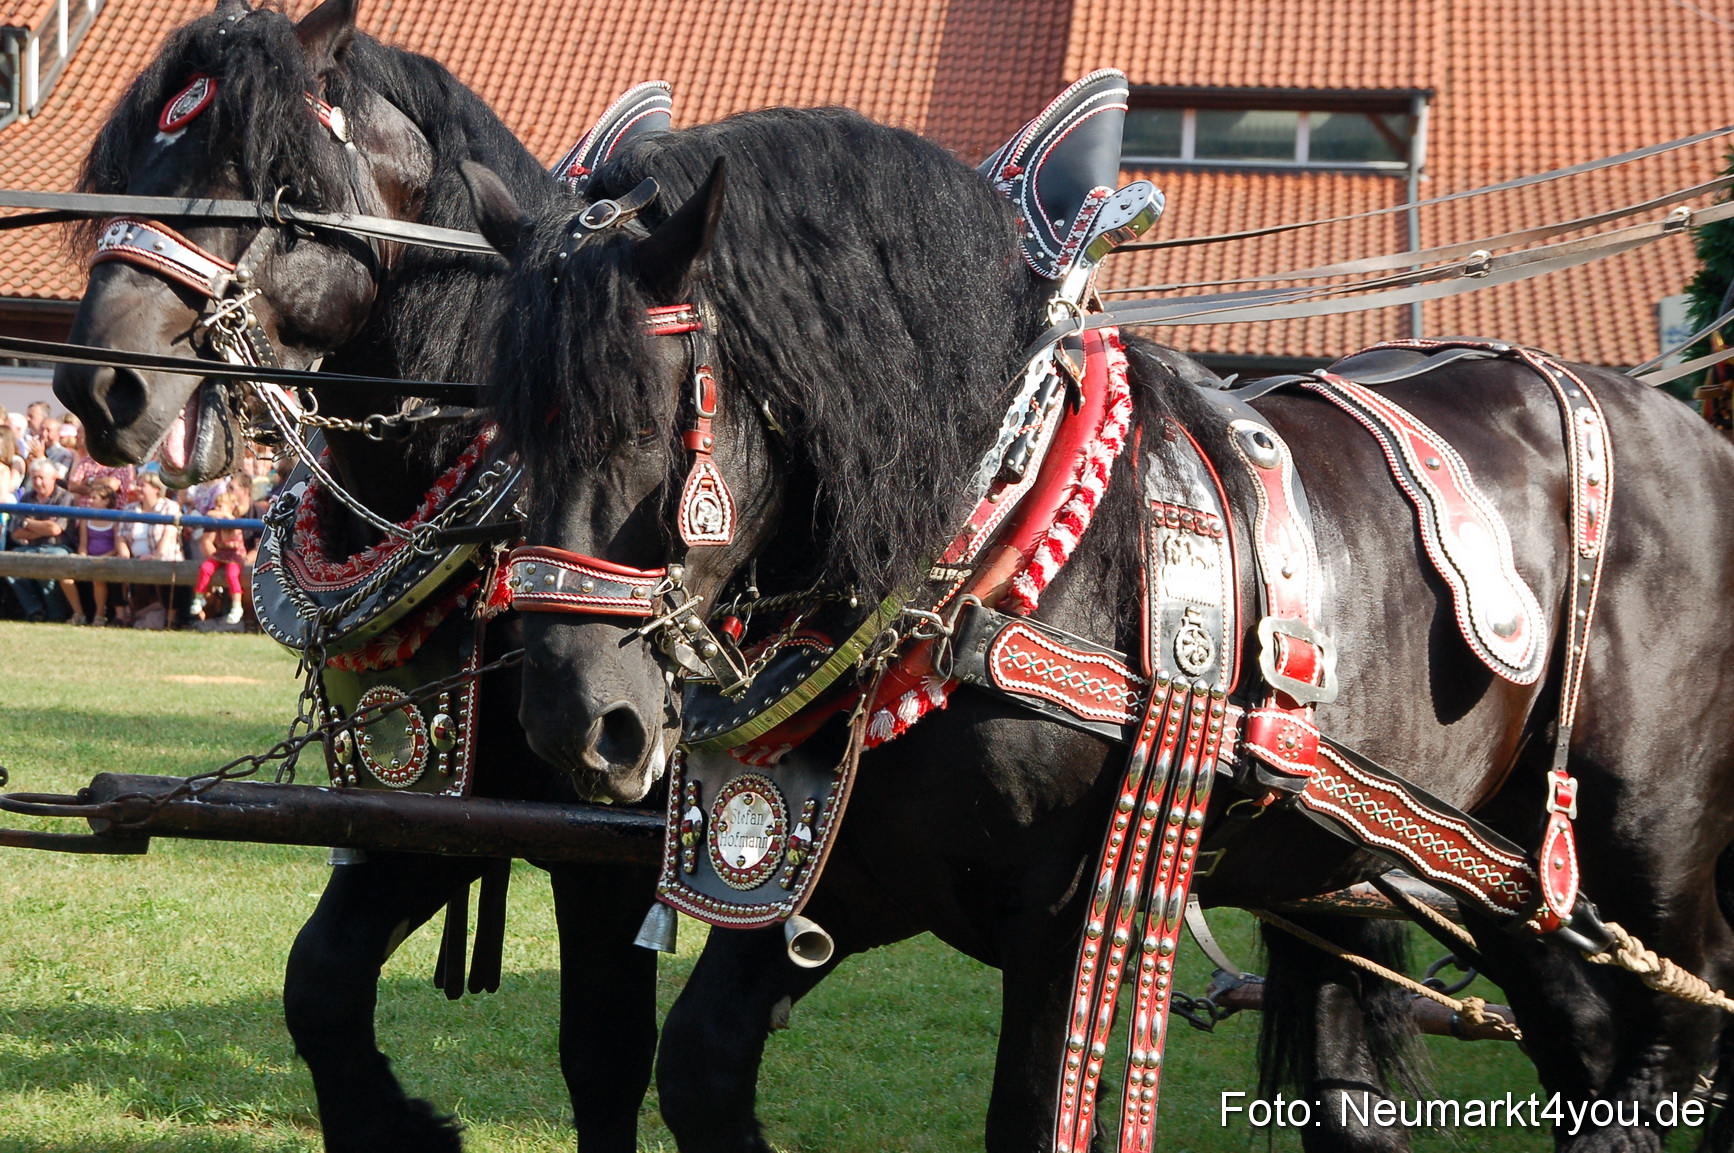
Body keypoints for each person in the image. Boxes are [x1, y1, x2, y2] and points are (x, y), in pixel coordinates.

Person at [6, 458, 75, 622]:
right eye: (34, 477)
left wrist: (28, 523)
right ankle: (35, 611)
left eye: (41, 478)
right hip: (31, 548)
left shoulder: (65, 497)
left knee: (46, 565)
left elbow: (56, 529)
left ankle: (56, 615)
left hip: (60, 548)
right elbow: (16, 533)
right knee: (9, 564)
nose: (37, 482)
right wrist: (44, 528)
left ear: (53, 478)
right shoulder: (27, 498)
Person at [125, 471, 183, 629]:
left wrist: (156, 555)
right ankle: (127, 616)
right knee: (119, 569)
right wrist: (124, 556)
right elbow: (121, 536)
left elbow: (170, 533)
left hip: (165, 557)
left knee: (167, 569)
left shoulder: (170, 507)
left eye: (142, 485)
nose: (138, 489)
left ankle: (170, 620)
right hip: (136, 559)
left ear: (156, 488)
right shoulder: (130, 508)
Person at [67, 476, 127, 626]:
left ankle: (99, 615)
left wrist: (102, 557)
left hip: (108, 559)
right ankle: (78, 613)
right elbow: (83, 543)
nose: (90, 501)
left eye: (94, 498)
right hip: (89, 557)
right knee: (65, 575)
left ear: (106, 501)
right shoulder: (86, 519)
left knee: (98, 577)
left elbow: (116, 547)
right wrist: (83, 556)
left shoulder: (115, 519)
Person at [190, 487, 247, 624]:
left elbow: (232, 537)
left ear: (231, 507)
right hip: (221, 554)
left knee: (232, 574)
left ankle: (236, 605)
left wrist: (227, 515)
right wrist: (220, 513)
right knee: (206, 568)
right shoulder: (218, 520)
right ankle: (199, 596)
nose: (217, 509)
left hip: (234, 555)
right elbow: (210, 513)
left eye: (220, 506)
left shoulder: (234, 522)